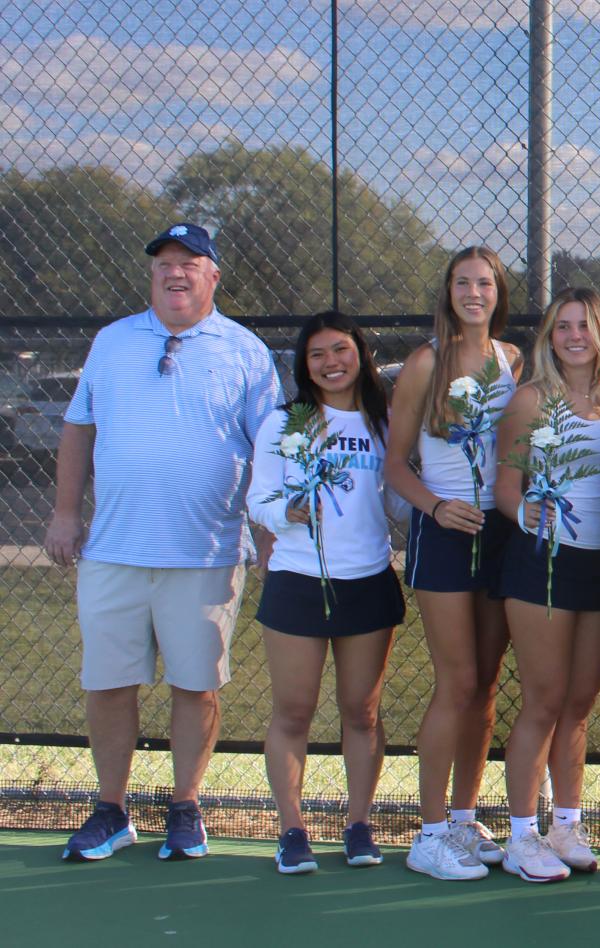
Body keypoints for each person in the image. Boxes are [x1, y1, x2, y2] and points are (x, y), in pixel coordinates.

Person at [50, 223, 283, 862]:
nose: (175, 272)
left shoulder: (245, 351)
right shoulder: (113, 341)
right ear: (151, 277)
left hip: (205, 555)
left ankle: (185, 807)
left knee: (196, 686)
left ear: (214, 278)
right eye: (164, 264)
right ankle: (111, 810)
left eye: (191, 262)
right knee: (108, 684)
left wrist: (269, 539)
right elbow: (78, 428)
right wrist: (66, 514)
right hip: (114, 552)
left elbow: (270, 452)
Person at [248, 311, 405, 874]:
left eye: (341, 349)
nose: (331, 362)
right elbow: (258, 499)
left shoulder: (384, 421)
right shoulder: (285, 424)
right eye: (318, 354)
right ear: (304, 366)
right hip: (297, 583)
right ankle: (292, 830)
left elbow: (399, 496)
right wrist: (287, 513)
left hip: (367, 581)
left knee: (361, 712)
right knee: (294, 712)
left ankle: (359, 824)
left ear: (360, 354)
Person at [384, 246, 521, 880]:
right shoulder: (425, 364)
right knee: (457, 682)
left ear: (499, 293)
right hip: (444, 535)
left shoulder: (512, 361)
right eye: (463, 282)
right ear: (448, 291)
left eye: (485, 283)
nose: (474, 292)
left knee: (487, 685)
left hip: (501, 534)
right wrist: (437, 509)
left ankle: (465, 820)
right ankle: (429, 831)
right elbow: (394, 466)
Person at [491, 288, 600, 883]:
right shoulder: (530, 401)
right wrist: (527, 516)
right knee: (543, 702)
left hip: (599, 563)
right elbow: (504, 488)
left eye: (585, 326)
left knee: (578, 704)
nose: (574, 336)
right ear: (548, 336)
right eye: (562, 326)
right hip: (540, 562)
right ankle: (522, 834)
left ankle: (566, 823)